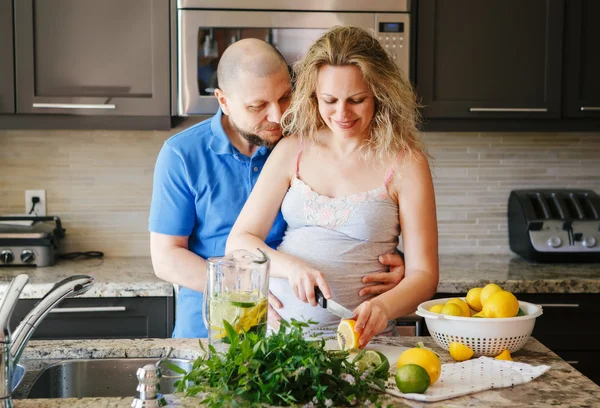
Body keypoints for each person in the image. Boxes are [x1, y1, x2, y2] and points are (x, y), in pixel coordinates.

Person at [149, 38, 405, 338]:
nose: (278, 116)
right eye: (258, 106)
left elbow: (344, 217)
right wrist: (244, 290)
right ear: (224, 101)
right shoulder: (182, 154)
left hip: (291, 336)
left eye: (285, 97)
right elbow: (166, 258)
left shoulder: (304, 141)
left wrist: (396, 262)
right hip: (211, 329)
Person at [227, 27, 439, 347]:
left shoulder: (406, 162)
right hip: (280, 341)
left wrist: (383, 307)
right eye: (329, 100)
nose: (341, 114)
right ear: (313, 95)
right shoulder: (292, 149)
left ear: (379, 93)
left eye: (356, 100)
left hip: (364, 344)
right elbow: (239, 242)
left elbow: (425, 277)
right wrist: (291, 267)